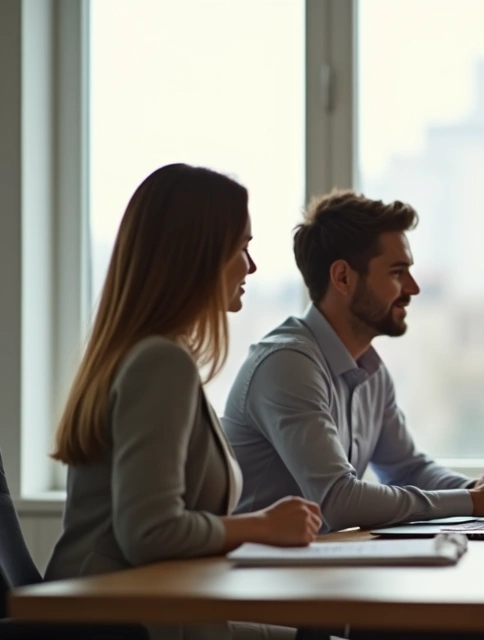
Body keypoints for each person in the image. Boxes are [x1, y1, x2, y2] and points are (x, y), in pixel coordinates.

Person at [46, 163, 323, 640]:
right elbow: (150, 532)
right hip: (127, 622)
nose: (251, 267)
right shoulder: (160, 363)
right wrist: (263, 526)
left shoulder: (147, 355)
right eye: (243, 248)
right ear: (199, 256)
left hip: (152, 611)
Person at [222, 190, 484, 533]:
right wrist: (474, 503)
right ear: (343, 277)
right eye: (397, 272)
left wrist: (474, 489)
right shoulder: (287, 364)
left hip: (314, 568)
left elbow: (407, 469)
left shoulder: (370, 370)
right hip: (256, 577)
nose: (413, 287)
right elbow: (338, 501)